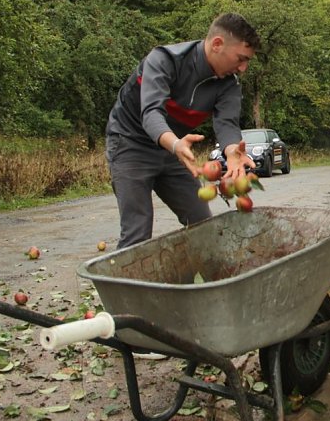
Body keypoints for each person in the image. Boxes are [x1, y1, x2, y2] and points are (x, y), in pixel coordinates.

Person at [105, 13, 261, 249]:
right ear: (217, 44)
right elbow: (150, 113)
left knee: (201, 223)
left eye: (247, 61)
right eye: (241, 59)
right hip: (130, 144)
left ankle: (201, 284)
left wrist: (232, 152)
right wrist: (176, 144)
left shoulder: (228, 84)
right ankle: (121, 286)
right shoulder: (164, 60)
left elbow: (227, 123)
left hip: (173, 150)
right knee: (137, 232)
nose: (243, 68)